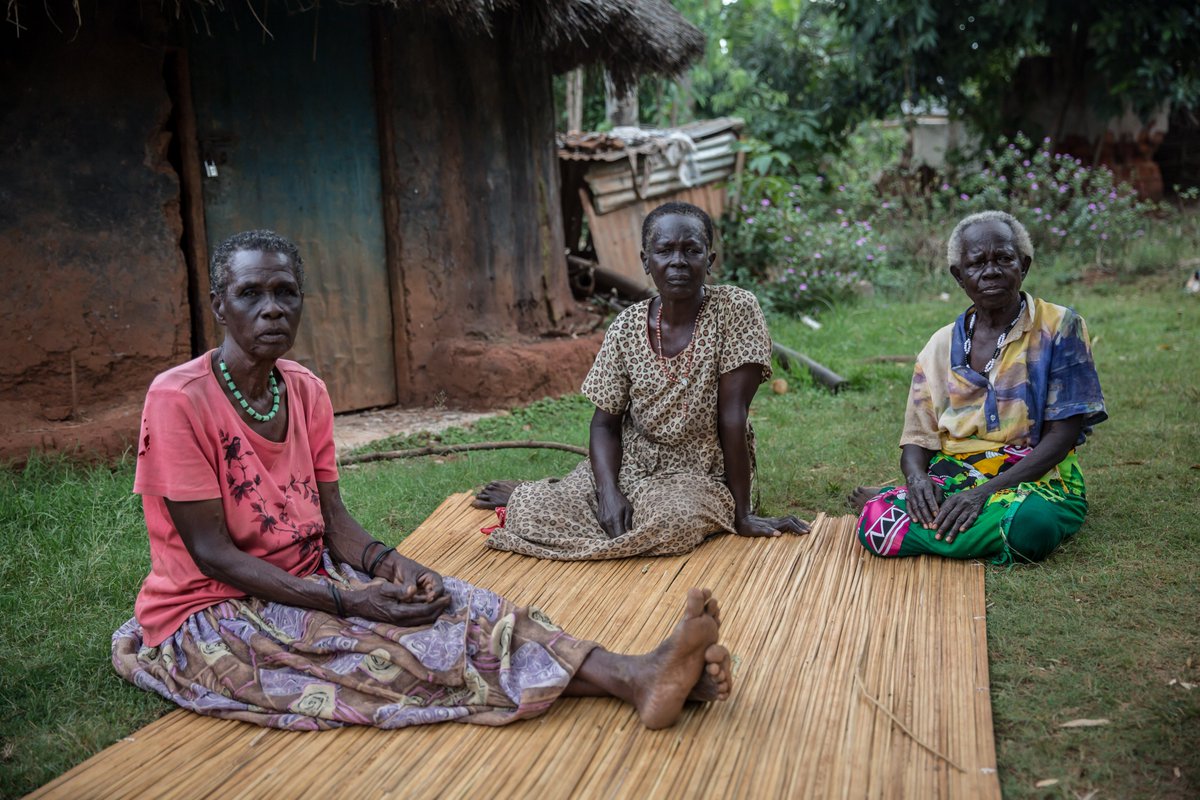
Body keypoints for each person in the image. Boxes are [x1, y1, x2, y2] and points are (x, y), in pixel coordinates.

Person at [112, 230, 732, 732]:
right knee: (394, 655)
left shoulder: (304, 391)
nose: (272, 307)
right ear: (219, 305)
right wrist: (349, 601)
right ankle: (641, 679)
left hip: (312, 578)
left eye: (286, 292)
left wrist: (394, 568)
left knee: (465, 603)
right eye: (250, 294)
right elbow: (212, 555)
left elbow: (334, 522)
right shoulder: (179, 399)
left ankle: (640, 673)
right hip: (213, 610)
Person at [474, 202, 809, 560]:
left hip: (699, 473)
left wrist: (742, 514)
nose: (678, 261)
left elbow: (733, 416)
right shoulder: (627, 326)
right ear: (646, 261)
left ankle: (604, 522)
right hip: (631, 463)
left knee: (673, 522)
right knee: (534, 514)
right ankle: (545, 499)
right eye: (664, 250)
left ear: (709, 261)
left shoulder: (735, 310)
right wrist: (608, 494)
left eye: (691, 250)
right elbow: (604, 425)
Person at [849, 210, 1107, 563]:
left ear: (1024, 265)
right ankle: (968, 531)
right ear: (959, 275)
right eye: (977, 263)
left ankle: (944, 530)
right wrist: (916, 481)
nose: (991, 271)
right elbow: (917, 439)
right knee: (876, 523)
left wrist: (982, 494)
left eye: (1004, 258)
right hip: (953, 476)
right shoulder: (939, 345)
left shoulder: (1060, 326)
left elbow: (1063, 435)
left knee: (1031, 526)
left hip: (1035, 481)